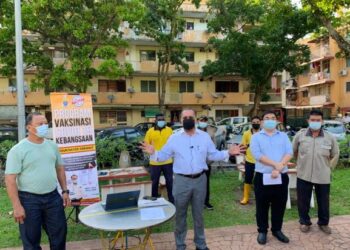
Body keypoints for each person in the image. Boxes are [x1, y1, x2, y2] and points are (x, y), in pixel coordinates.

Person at [141, 109, 245, 250]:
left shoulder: (204, 137)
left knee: (199, 215)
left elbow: (213, 154)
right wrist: (154, 153)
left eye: (191, 117)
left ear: (195, 119)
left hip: (200, 180)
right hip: (181, 181)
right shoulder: (174, 138)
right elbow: (163, 156)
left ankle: (200, 244)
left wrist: (228, 152)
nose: (188, 119)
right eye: (185, 117)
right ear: (180, 120)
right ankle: (180, 245)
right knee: (180, 215)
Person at [5, 112, 70, 250]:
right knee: (31, 242)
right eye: (40, 124)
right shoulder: (18, 150)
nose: (44, 126)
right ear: (29, 127)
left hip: (53, 197)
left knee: (59, 235)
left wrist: (65, 191)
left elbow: (60, 168)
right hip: (29, 200)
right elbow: (10, 180)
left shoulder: (52, 146)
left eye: (46, 123)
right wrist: (17, 206)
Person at [292, 109, 339, 234]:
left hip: (323, 175)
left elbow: (335, 154)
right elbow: (294, 151)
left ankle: (323, 223)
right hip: (304, 174)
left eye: (318, 120)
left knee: (323, 201)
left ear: (322, 121)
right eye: (312, 120)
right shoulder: (300, 135)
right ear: (308, 120)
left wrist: (328, 168)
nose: (315, 122)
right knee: (303, 201)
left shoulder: (330, 137)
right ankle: (304, 222)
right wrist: (300, 164)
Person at [250, 110, 293, 245]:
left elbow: (289, 152)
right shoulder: (255, 137)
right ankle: (262, 231)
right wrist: (277, 165)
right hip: (262, 176)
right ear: (262, 122)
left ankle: (277, 230)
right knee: (262, 205)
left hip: (281, 177)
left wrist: (279, 168)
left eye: (273, 118)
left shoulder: (283, 136)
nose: (270, 120)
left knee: (279, 205)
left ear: (276, 121)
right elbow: (257, 155)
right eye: (267, 118)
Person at [144, 113, 174, 203]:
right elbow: (146, 145)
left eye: (163, 119)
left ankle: (171, 200)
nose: (161, 121)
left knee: (170, 182)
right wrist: (148, 150)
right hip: (155, 162)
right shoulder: (150, 131)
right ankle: (154, 200)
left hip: (167, 161)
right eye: (159, 119)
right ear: (156, 120)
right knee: (154, 182)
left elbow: (173, 143)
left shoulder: (169, 130)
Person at [240, 116, 261, 205]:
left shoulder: (263, 133)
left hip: (261, 161)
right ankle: (245, 197)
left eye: (257, 122)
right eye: (254, 122)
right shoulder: (246, 134)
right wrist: (244, 157)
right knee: (248, 179)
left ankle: (260, 197)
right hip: (249, 160)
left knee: (260, 180)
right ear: (251, 123)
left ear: (260, 123)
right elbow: (242, 147)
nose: (255, 123)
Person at [197, 115, 216, 210]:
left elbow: (213, 147)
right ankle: (195, 202)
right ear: (197, 121)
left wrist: (210, 161)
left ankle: (206, 202)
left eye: (204, 120)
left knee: (206, 183)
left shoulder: (211, 132)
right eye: (201, 120)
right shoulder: (193, 131)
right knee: (195, 183)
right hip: (195, 163)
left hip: (207, 163)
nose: (203, 122)